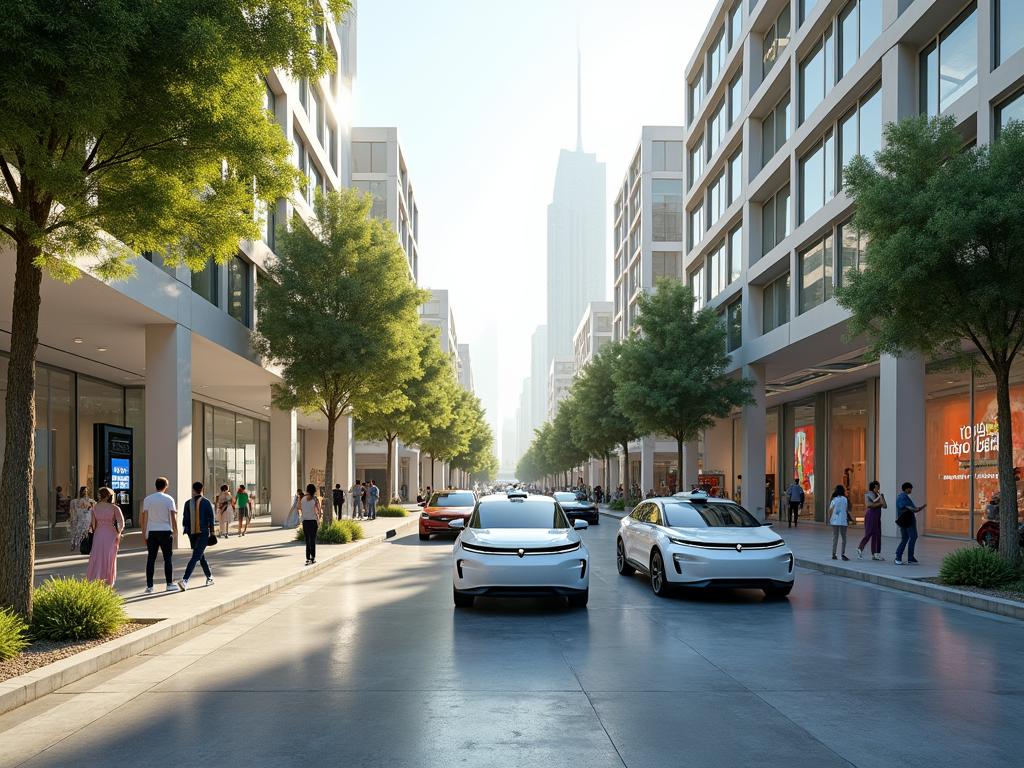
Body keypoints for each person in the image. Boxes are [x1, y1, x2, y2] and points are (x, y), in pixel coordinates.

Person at [141, 477, 179, 593]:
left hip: (152, 531)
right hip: (165, 530)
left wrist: (144, 533)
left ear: (155, 485)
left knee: (151, 559)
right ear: (166, 485)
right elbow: (173, 516)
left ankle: (149, 586)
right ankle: (169, 583)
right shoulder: (169, 499)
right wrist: (175, 530)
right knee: (167, 558)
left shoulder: (148, 499)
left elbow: (144, 517)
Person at [178, 481, 215, 591]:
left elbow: (185, 520)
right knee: (196, 556)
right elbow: (211, 519)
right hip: (203, 533)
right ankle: (184, 580)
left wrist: (187, 530)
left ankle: (209, 577)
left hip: (191, 533)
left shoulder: (187, 503)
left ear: (193, 490)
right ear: (202, 489)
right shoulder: (206, 502)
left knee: (200, 555)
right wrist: (212, 532)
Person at [85, 487, 124, 586]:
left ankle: (97, 576)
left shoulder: (95, 507)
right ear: (108, 496)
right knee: (110, 556)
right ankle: (109, 578)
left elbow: (93, 525)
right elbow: (121, 523)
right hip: (110, 532)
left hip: (99, 533)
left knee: (97, 554)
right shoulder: (114, 508)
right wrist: (118, 533)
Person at [894, 482, 926, 565]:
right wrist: (918, 508)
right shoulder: (904, 497)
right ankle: (903, 556)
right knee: (913, 536)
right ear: (906, 489)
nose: (911, 490)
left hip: (903, 521)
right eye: (910, 488)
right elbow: (912, 508)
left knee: (905, 538)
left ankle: (903, 556)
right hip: (908, 521)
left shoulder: (900, 497)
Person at [858, 481, 886, 560]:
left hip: (877, 516)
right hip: (871, 515)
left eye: (879, 486)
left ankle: (876, 553)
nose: (878, 488)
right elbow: (869, 505)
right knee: (869, 532)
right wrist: (879, 503)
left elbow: (884, 505)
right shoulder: (868, 494)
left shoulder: (880, 495)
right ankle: (860, 548)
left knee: (877, 534)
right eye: (877, 486)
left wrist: (881, 499)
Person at [300, 483, 323, 565]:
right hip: (313, 521)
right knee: (313, 539)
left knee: (307, 540)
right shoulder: (315, 499)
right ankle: (313, 556)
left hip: (305, 521)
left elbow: (301, 509)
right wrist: (319, 520)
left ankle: (307, 557)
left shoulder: (303, 499)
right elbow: (319, 511)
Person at [829, 484, 852, 561]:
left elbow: (830, 510)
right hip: (843, 520)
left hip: (835, 520)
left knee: (835, 537)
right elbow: (848, 509)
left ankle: (834, 553)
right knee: (844, 537)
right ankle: (843, 554)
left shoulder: (834, 499)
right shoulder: (845, 499)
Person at [69, 486, 94, 552]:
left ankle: (81, 544)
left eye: (86, 491)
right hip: (79, 519)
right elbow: (72, 511)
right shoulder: (75, 501)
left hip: (86, 519)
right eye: (83, 491)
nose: (85, 493)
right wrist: (72, 518)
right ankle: (77, 544)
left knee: (84, 531)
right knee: (78, 531)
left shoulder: (89, 500)